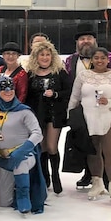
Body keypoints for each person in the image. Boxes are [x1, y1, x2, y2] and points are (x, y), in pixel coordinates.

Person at [64, 23, 111, 190]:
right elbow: (71, 88)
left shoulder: (110, 58)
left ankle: (107, 177)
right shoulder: (71, 60)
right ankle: (90, 174)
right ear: (77, 42)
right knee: (87, 144)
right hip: (83, 111)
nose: (86, 41)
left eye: (89, 38)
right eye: (82, 39)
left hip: (106, 111)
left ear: (95, 40)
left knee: (106, 146)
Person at [67, 47, 111, 205]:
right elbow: (74, 98)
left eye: (103, 58)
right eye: (96, 58)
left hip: (109, 117)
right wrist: (71, 117)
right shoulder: (83, 75)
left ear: (108, 60)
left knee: (110, 153)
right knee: (93, 152)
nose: (100, 61)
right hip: (88, 119)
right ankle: (97, 183)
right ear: (92, 60)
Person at [0, 76, 45, 214]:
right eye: (4, 89)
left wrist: (22, 151)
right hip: (3, 159)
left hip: (24, 156)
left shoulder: (24, 111)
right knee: (3, 202)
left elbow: (37, 133)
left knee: (21, 164)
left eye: (11, 88)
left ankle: (23, 196)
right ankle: (13, 189)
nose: (8, 91)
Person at [25, 40, 70, 195]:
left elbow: (69, 92)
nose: (44, 58)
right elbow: (27, 95)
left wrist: (55, 94)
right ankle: (45, 176)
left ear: (52, 56)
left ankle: (56, 176)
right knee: (42, 147)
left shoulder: (60, 72)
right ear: (36, 57)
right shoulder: (30, 74)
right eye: (41, 55)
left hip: (54, 114)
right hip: (37, 114)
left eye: (47, 55)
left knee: (51, 146)